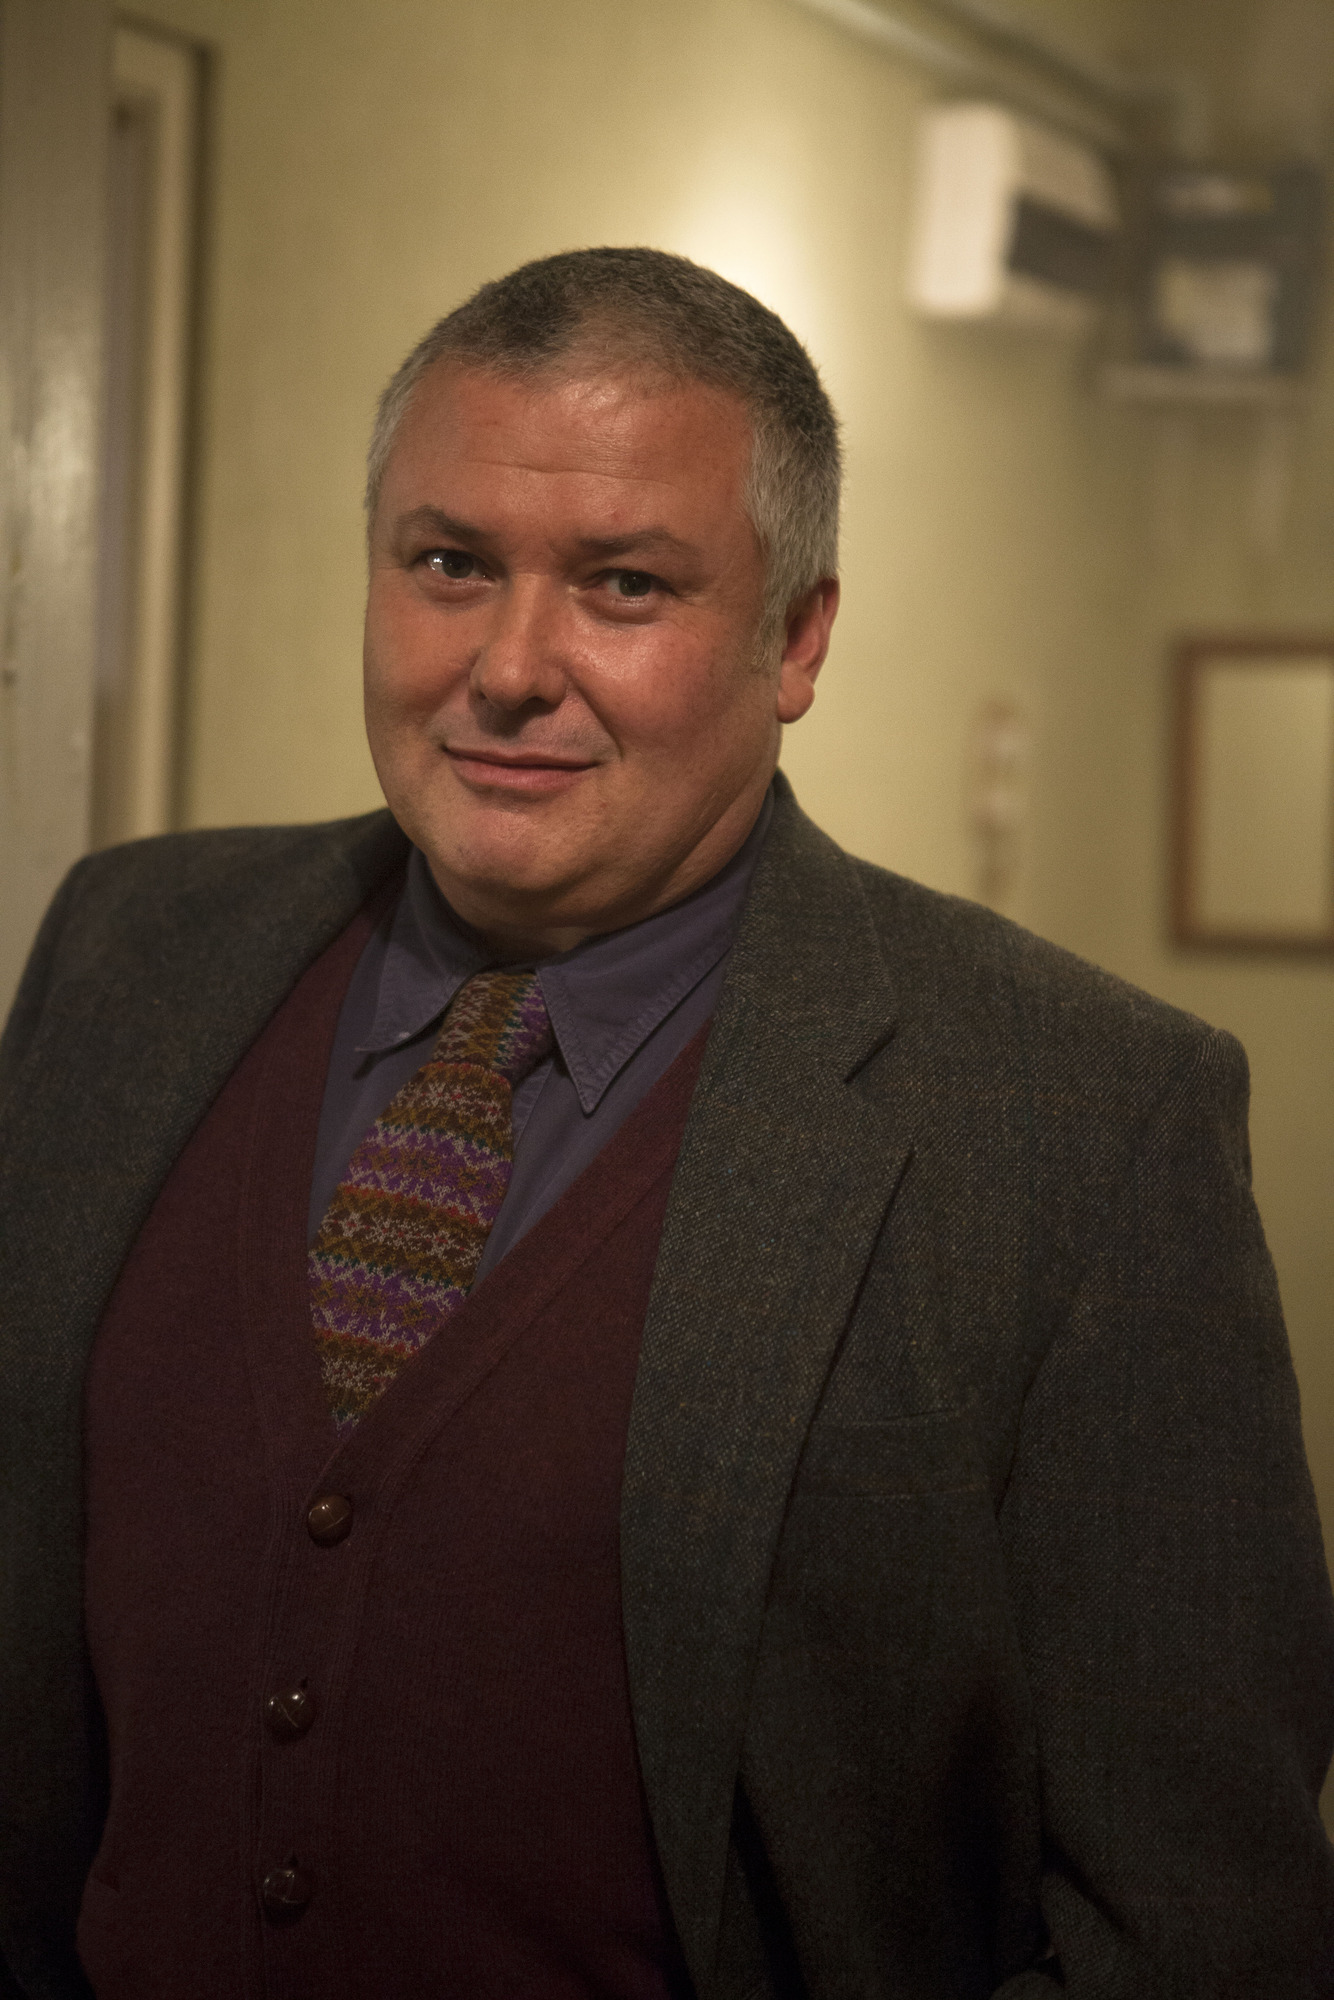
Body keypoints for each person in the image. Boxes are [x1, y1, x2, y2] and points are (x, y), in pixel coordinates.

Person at [0, 247, 1331, 2000]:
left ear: (796, 639)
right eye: (448, 564)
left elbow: (1198, 1926)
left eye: (623, 585)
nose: (508, 666)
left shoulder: (1078, 1123)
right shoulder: (128, 952)